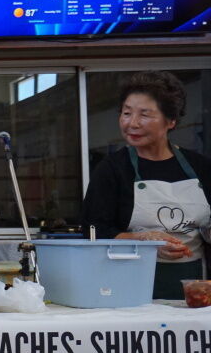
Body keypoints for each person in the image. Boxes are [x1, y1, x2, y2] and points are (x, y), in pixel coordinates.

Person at [82, 71, 211, 300]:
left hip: (197, 286)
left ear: (171, 121)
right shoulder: (112, 169)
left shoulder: (199, 166)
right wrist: (144, 241)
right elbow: (94, 231)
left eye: (144, 114)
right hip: (129, 286)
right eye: (126, 113)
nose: (132, 123)